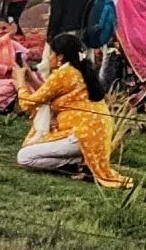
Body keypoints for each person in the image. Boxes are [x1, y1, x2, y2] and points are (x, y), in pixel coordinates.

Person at [15, 31, 131, 187]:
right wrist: (30, 78)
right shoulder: (77, 70)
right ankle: (82, 161)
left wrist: (20, 82)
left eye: (51, 53)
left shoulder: (64, 74)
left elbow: (27, 104)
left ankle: (75, 162)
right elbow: (47, 94)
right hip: (95, 133)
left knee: (24, 157)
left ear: (60, 56)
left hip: (80, 135)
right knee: (32, 149)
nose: (49, 58)